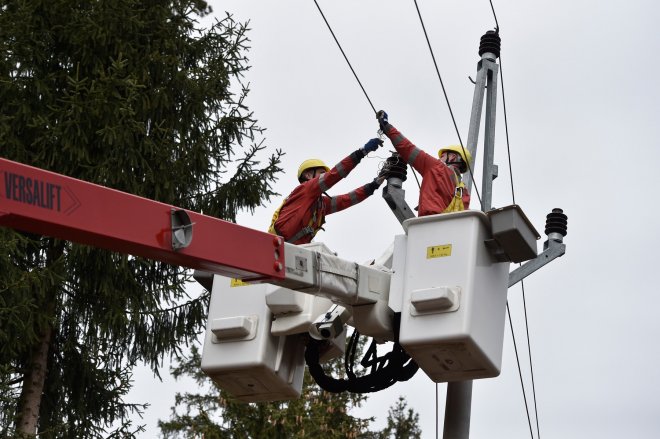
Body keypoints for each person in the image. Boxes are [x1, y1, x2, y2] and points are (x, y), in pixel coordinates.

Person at [268, 138, 384, 244]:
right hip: (277, 246)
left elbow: (347, 200)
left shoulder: (320, 204)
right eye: (321, 173)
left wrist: (373, 185)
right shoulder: (306, 189)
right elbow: (335, 174)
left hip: (290, 250)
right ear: (308, 175)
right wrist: (361, 152)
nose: (325, 176)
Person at [376, 110, 472, 216]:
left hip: (428, 223)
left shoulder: (437, 167)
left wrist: (386, 126)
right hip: (448, 229)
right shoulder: (464, 191)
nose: (440, 158)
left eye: (443, 155)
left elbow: (407, 148)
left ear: (453, 157)